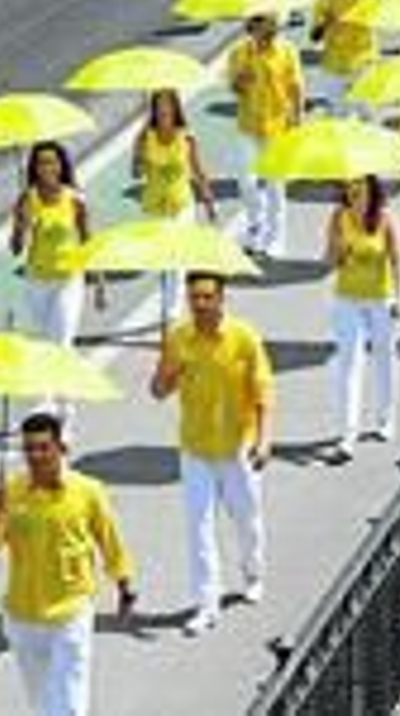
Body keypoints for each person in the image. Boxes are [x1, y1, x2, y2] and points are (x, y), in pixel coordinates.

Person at [0, 411, 136, 716]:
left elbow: (110, 541)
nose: (35, 456)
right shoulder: (11, 492)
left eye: (43, 447)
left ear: (62, 448)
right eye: (29, 448)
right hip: (22, 615)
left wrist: (124, 586)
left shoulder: (88, 491)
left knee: (70, 705)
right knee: (40, 702)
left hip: (71, 614)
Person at [149, 272, 273, 636]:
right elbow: (158, 391)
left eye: (207, 297)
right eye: (194, 298)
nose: (200, 305)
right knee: (198, 528)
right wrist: (168, 368)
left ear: (221, 299)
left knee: (247, 520)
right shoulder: (178, 338)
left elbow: (264, 393)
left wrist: (264, 440)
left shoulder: (244, 338)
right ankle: (207, 604)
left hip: (238, 448)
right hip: (196, 449)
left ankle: (253, 573)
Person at [324, 175, 400, 462]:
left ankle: (386, 419)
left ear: (371, 190)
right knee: (349, 364)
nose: (354, 194)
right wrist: (339, 250)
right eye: (350, 189)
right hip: (347, 299)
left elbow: (397, 260)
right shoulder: (338, 216)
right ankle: (348, 434)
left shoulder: (386, 218)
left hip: (381, 299)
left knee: (384, 358)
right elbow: (329, 261)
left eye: (359, 188)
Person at [132, 90, 219, 321]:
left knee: (177, 257)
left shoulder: (187, 137)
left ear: (175, 108)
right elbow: (136, 173)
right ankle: (167, 299)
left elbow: (198, 171)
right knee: (162, 259)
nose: (164, 109)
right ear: (153, 109)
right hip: (154, 206)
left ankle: (172, 308)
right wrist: (138, 152)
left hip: (182, 205)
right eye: (159, 104)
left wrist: (209, 201)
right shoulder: (145, 138)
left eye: (168, 104)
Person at [229, 13, 304, 258]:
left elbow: (296, 86)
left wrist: (298, 119)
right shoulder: (239, 53)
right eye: (262, 23)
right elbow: (235, 88)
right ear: (252, 27)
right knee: (245, 180)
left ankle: (275, 239)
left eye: (272, 23)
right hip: (248, 126)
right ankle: (256, 223)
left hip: (278, 127)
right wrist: (243, 77)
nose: (269, 28)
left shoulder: (287, 51)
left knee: (275, 185)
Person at [10, 142, 98, 344]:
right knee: (48, 344)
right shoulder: (26, 200)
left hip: (69, 280)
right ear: (35, 168)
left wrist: (98, 280)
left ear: (61, 166)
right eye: (41, 163)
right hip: (36, 283)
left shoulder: (75, 199)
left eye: (52, 162)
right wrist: (22, 224)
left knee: (61, 341)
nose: (47, 168)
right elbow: (16, 249)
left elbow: (87, 239)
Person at [310, 0, 376, 113]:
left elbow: (384, 5)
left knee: (366, 115)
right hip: (335, 66)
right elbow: (314, 36)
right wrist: (325, 23)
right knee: (337, 115)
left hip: (362, 63)